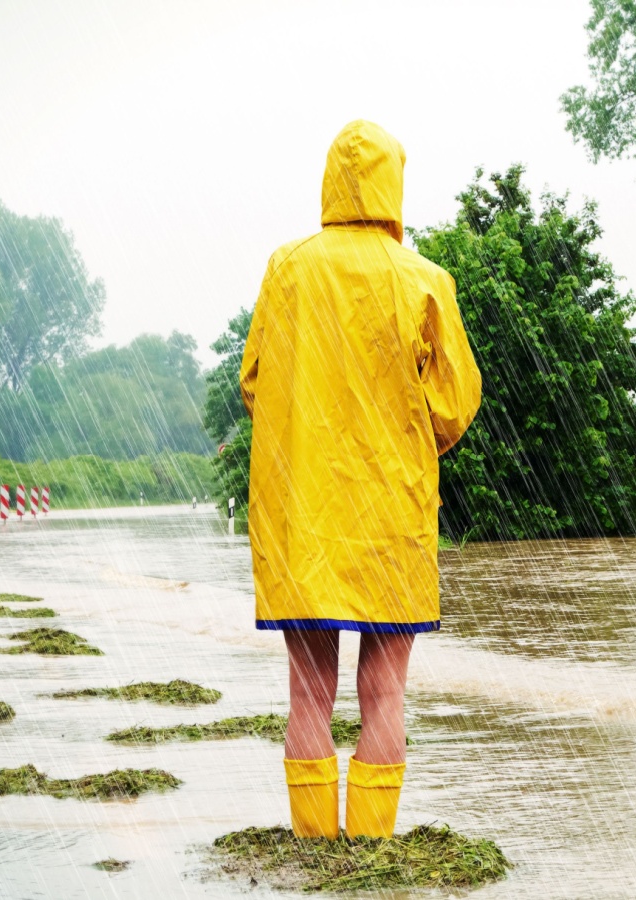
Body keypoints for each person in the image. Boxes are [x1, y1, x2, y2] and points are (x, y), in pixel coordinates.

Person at [239, 120, 481, 840]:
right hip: (391, 517)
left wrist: (306, 422)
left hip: (303, 516)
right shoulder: (425, 281)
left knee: (308, 693)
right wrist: (405, 432)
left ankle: (314, 857)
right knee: (385, 693)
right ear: (394, 187)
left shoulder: (288, 269)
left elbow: (253, 382)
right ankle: (373, 853)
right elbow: (456, 403)